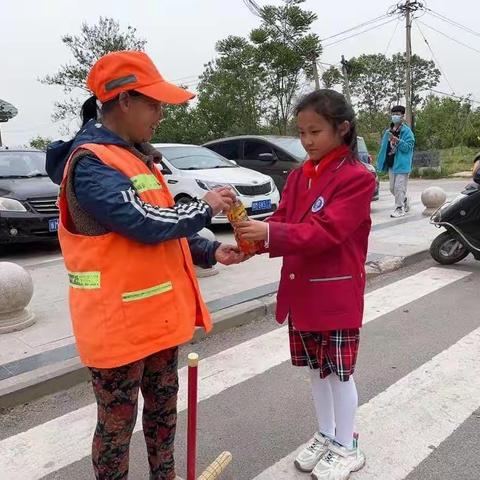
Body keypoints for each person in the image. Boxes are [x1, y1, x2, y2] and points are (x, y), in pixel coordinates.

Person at [46, 50, 246, 480]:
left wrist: (210, 250)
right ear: (123, 101)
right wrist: (203, 207)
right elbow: (141, 221)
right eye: (153, 103)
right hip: (116, 327)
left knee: (162, 414)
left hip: (154, 319)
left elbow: (163, 219)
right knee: (117, 427)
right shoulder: (91, 163)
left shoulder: (138, 157)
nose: (160, 114)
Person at [235, 89, 375, 480]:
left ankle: (348, 445)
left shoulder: (356, 179)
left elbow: (324, 231)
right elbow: (283, 220)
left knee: (340, 373)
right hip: (301, 291)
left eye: (315, 131)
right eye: (301, 132)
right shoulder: (298, 176)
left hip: (335, 292)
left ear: (342, 129)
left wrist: (270, 232)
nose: (307, 141)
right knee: (317, 370)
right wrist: (252, 240)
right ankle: (328, 433)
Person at [376, 105, 415, 218]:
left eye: (397, 114)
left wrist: (398, 141)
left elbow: (408, 148)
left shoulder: (407, 132)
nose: (395, 116)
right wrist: (380, 162)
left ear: (402, 116)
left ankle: (399, 208)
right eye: (393, 114)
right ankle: (404, 199)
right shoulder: (388, 131)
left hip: (402, 165)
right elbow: (383, 148)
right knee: (392, 189)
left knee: (399, 187)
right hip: (391, 164)